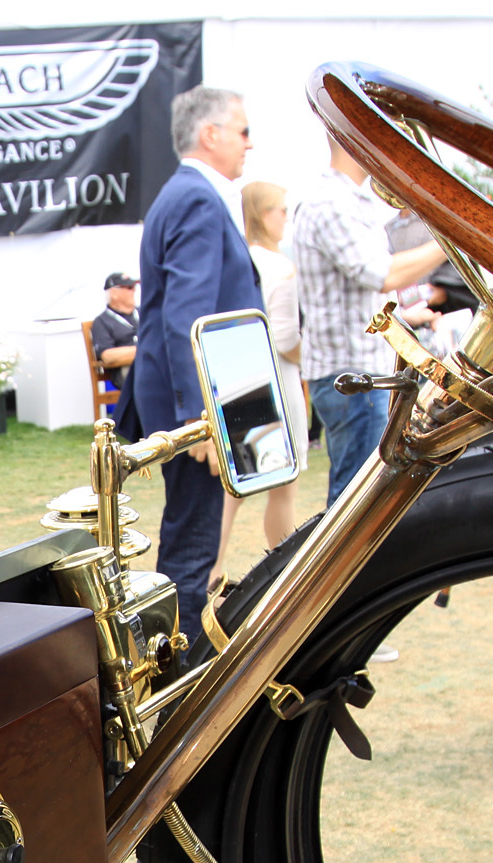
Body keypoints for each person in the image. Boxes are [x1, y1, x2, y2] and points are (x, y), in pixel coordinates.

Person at [132, 86, 264, 641]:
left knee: (190, 537)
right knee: (191, 546)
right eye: (242, 131)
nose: (249, 145)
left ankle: (174, 659)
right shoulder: (196, 198)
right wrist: (199, 419)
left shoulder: (189, 194)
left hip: (198, 399)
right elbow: (188, 316)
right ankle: (178, 675)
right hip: (198, 407)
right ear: (210, 134)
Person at [289, 141, 448, 506]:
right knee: (355, 503)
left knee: (360, 498)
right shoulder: (331, 203)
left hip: (358, 376)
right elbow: (381, 274)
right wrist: (451, 238)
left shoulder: (343, 200)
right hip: (353, 379)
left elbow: (362, 299)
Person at [211, 182, 306, 589]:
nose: (286, 218)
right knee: (283, 479)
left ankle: (211, 568)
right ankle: (283, 569)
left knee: (237, 481)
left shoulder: (237, 260)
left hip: (239, 376)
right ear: (263, 214)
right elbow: (288, 339)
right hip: (276, 379)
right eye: (281, 210)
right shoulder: (279, 266)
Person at [89, 272, 137, 398]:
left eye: (134, 287)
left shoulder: (145, 313)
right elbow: (107, 356)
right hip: (126, 371)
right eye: (129, 288)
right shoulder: (102, 322)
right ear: (114, 294)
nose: (134, 291)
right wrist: (143, 351)